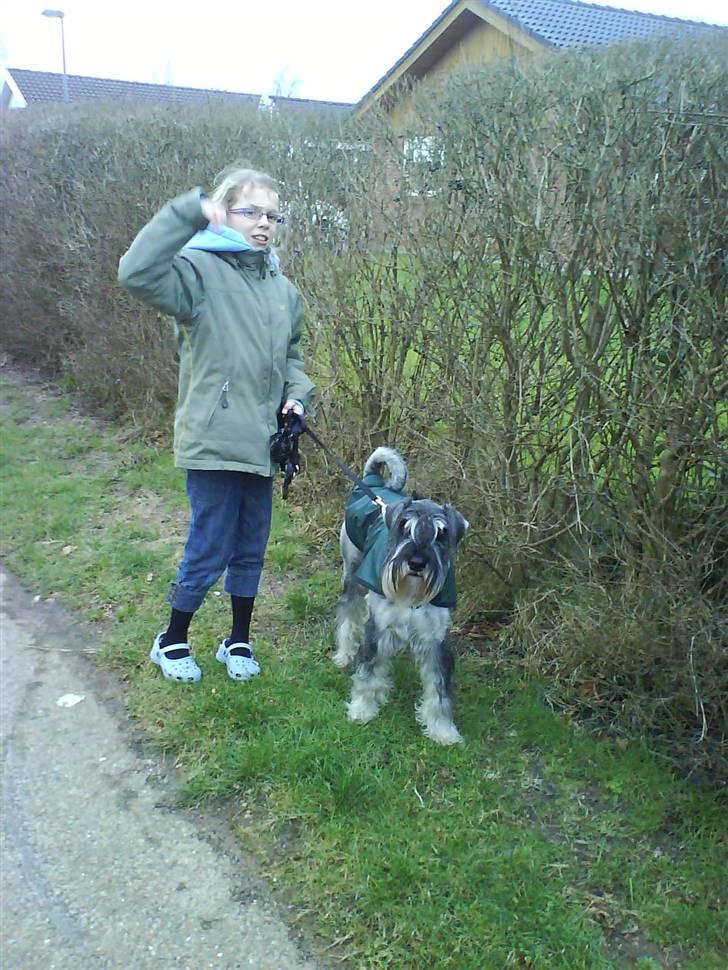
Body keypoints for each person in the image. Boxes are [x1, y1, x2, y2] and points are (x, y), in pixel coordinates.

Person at [118, 164, 315, 684]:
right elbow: (134, 273)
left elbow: (291, 358)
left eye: (273, 215)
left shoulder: (283, 290)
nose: (264, 223)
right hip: (213, 439)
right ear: (222, 211)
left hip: (263, 443)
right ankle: (173, 639)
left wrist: (297, 397)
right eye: (250, 211)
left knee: (252, 545)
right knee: (209, 544)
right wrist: (186, 211)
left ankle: (238, 640)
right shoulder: (195, 271)